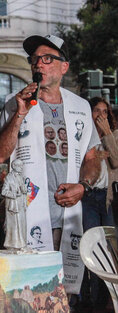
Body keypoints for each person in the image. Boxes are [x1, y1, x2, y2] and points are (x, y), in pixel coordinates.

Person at [0, 34, 101, 295]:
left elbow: (92, 157)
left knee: (66, 294)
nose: (38, 64)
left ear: (64, 66)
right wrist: (19, 113)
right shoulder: (14, 102)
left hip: (69, 214)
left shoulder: (81, 106)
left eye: (47, 58)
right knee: (29, 293)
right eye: (34, 59)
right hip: (28, 213)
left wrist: (83, 186)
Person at [80, 97, 118, 310]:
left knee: (111, 249)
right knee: (91, 249)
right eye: (96, 111)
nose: (100, 115)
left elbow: (116, 160)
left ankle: (109, 300)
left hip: (108, 199)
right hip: (88, 198)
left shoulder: (115, 136)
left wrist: (108, 134)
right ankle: (93, 300)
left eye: (105, 111)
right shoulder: (84, 137)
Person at [1, 159, 28, 250]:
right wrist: (14, 194)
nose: (21, 168)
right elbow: (4, 191)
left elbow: (22, 190)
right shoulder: (9, 177)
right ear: (14, 166)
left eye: (22, 166)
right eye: (19, 166)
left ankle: (22, 244)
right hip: (13, 206)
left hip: (21, 206)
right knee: (14, 226)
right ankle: (12, 245)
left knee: (22, 225)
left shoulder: (21, 177)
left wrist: (24, 191)